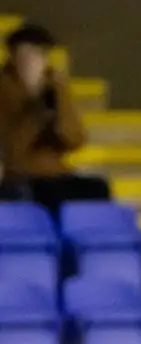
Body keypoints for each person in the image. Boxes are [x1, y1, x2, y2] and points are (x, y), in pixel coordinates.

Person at [0, 23, 110, 213]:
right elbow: (11, 147)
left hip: (56, 171)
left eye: (39, 55)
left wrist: (56, 105)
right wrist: (34, 106)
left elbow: (75, 139)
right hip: (20, 173)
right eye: (26, 55)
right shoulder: (5, 89)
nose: (32, 62)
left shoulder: (55, 86)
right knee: (42, 195)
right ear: (13, 57)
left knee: (97, 188)